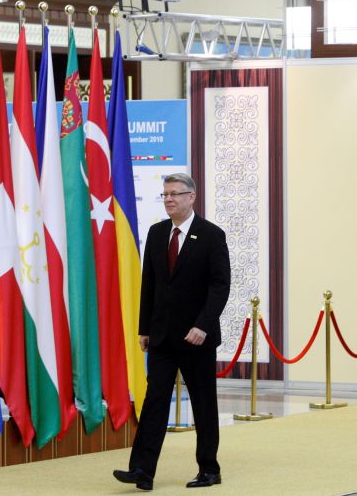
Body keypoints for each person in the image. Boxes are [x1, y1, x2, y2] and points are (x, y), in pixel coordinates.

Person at [113, 173, 231, 491]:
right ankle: (142, 470)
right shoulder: (157, 233)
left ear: (191, 197)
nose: (168, 199)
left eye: (175, 194)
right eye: (165, 194)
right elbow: (149, 284)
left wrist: (203, 325)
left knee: (203, 404)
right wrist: (144, 328)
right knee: (154, 402)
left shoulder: (211, 235)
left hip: (197, 337)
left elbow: (220, 286)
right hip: (162, 337)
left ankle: (209, 469)